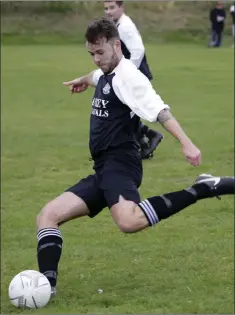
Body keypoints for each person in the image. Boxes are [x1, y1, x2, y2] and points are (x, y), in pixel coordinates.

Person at [36, 18, 235, 299]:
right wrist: (83, 80)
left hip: (121, 163)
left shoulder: (130, 77)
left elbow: (160, 110)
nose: (96, 59)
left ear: (117, 45)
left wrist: (187, 143)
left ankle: (201, 188)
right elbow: (97, 77)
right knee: (47, 216)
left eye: (100, 53)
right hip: (104, 169)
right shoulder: (106, 71)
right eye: (91, 54)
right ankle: (46, 288)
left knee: (129, 221)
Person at [104, 0, 163, 159]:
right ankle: (145, 143)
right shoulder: (119, 25)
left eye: (112, 8)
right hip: (131, 74)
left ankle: (150, 137)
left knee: (124, 111)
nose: (109, 11)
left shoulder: (125, 27)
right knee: (127, 111)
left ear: (121, 8)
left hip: (136, 74)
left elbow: (138, 50)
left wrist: (129, 73)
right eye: (106, 8)